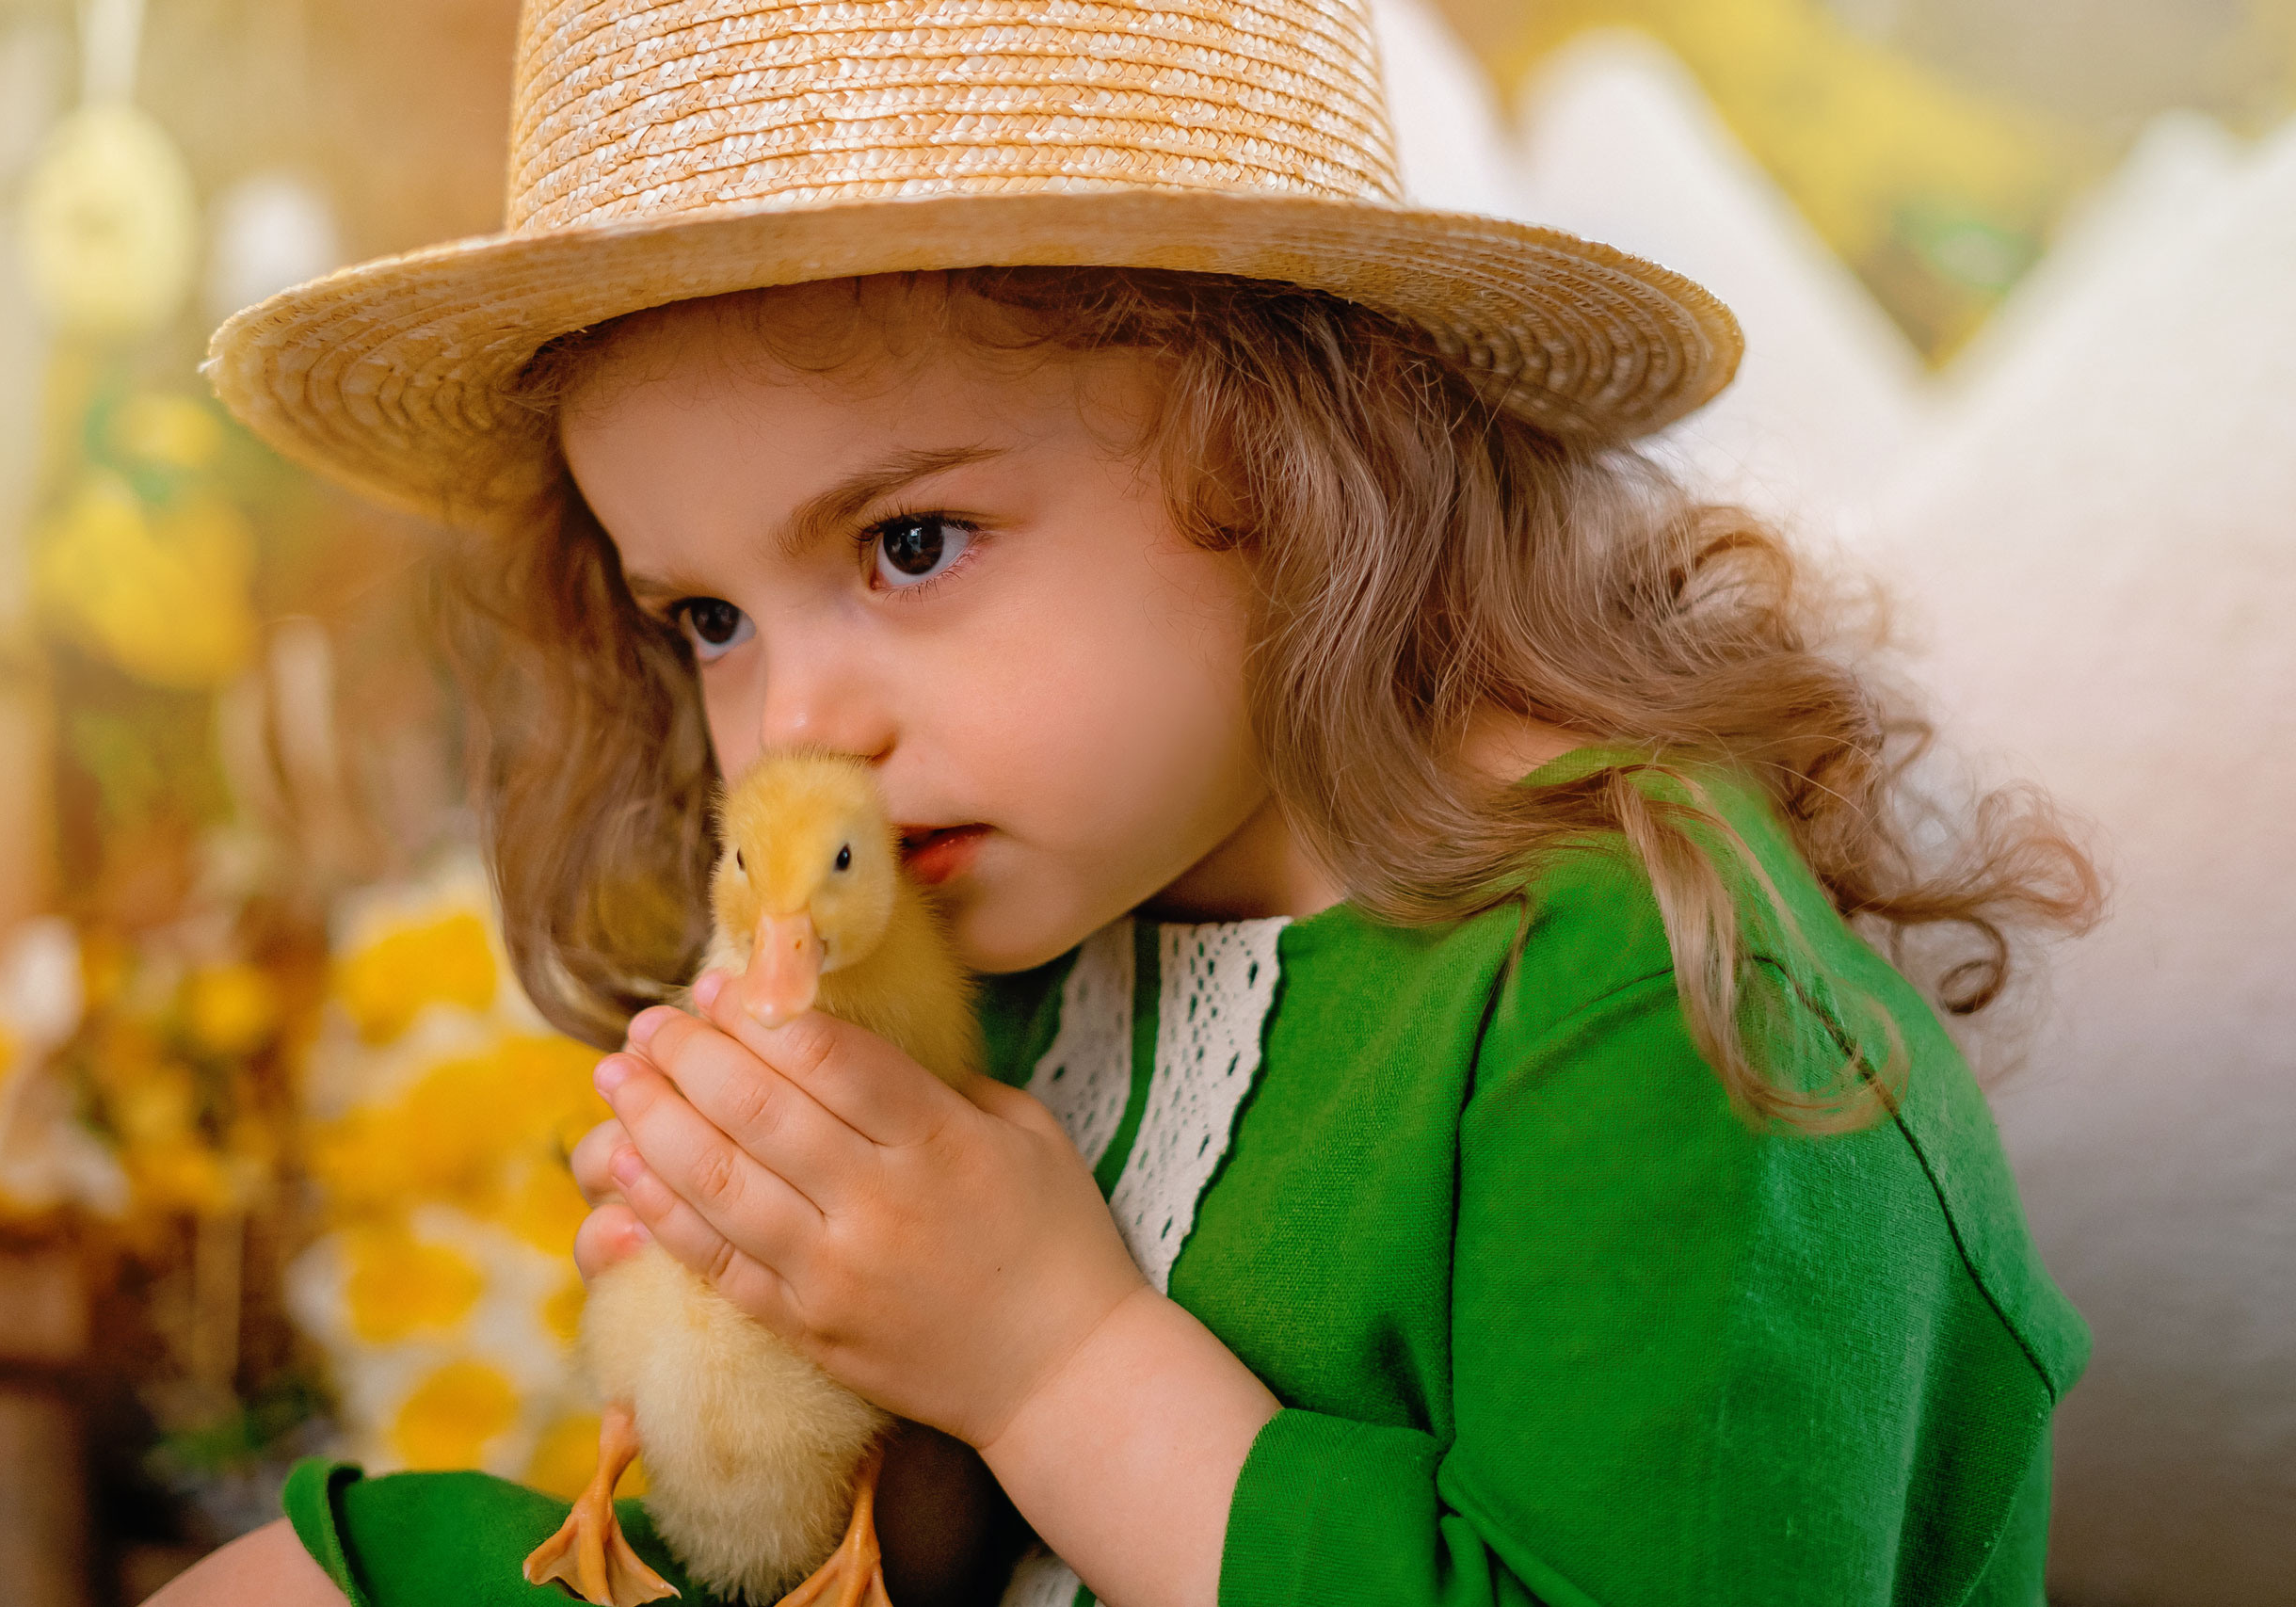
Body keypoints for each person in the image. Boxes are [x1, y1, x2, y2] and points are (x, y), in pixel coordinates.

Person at [165, 3, 2098, 1605]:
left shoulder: (1647, 998)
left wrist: (1048, 1347)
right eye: (704, 618)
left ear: (1301, 455)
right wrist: (821, 1326)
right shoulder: (1033, 905)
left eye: (908, 540)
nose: (793, 723)